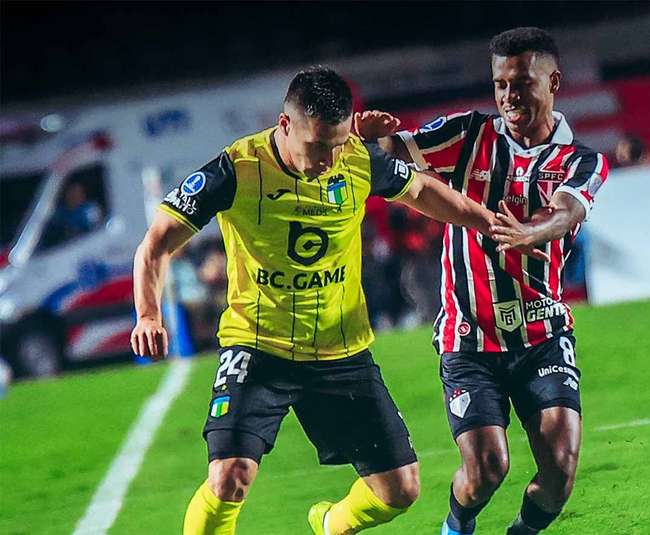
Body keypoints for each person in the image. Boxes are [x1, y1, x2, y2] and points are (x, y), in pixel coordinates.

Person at [131, 67, 546, 535]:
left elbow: (426, 193)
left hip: (341, 351)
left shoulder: (356, 157)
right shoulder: (237, 168)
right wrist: (148, 313)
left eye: (338, 144)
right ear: (285, 125)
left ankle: (331, 524)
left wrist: (493, 224)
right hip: (257, 346)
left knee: (401, 490)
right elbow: (156, 243)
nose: (329, 160)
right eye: (317, 147)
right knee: (229, 477)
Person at [356, 27, 609, 534]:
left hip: (543, 335)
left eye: (521, 82)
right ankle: (456, 527)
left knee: (559, 473)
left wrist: (531, 232)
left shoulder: (582, 160)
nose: (509, 96)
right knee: (487, 470)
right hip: (470, 337)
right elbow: (395, 155)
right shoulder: (470, 134)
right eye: (500, 85)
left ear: (553, 81)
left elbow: (566, 212)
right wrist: (373, 136)